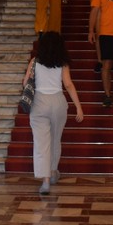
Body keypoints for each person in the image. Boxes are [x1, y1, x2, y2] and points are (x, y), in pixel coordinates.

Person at [24, 31, 84, 195]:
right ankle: (52, 171)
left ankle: (45, 181)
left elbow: (25, 83)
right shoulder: (62, 63)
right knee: (55, 139)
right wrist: (78, 106)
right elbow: (68, 84)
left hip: (39, 102)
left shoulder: (34, 61)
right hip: (58, 102)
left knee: (41, 142)